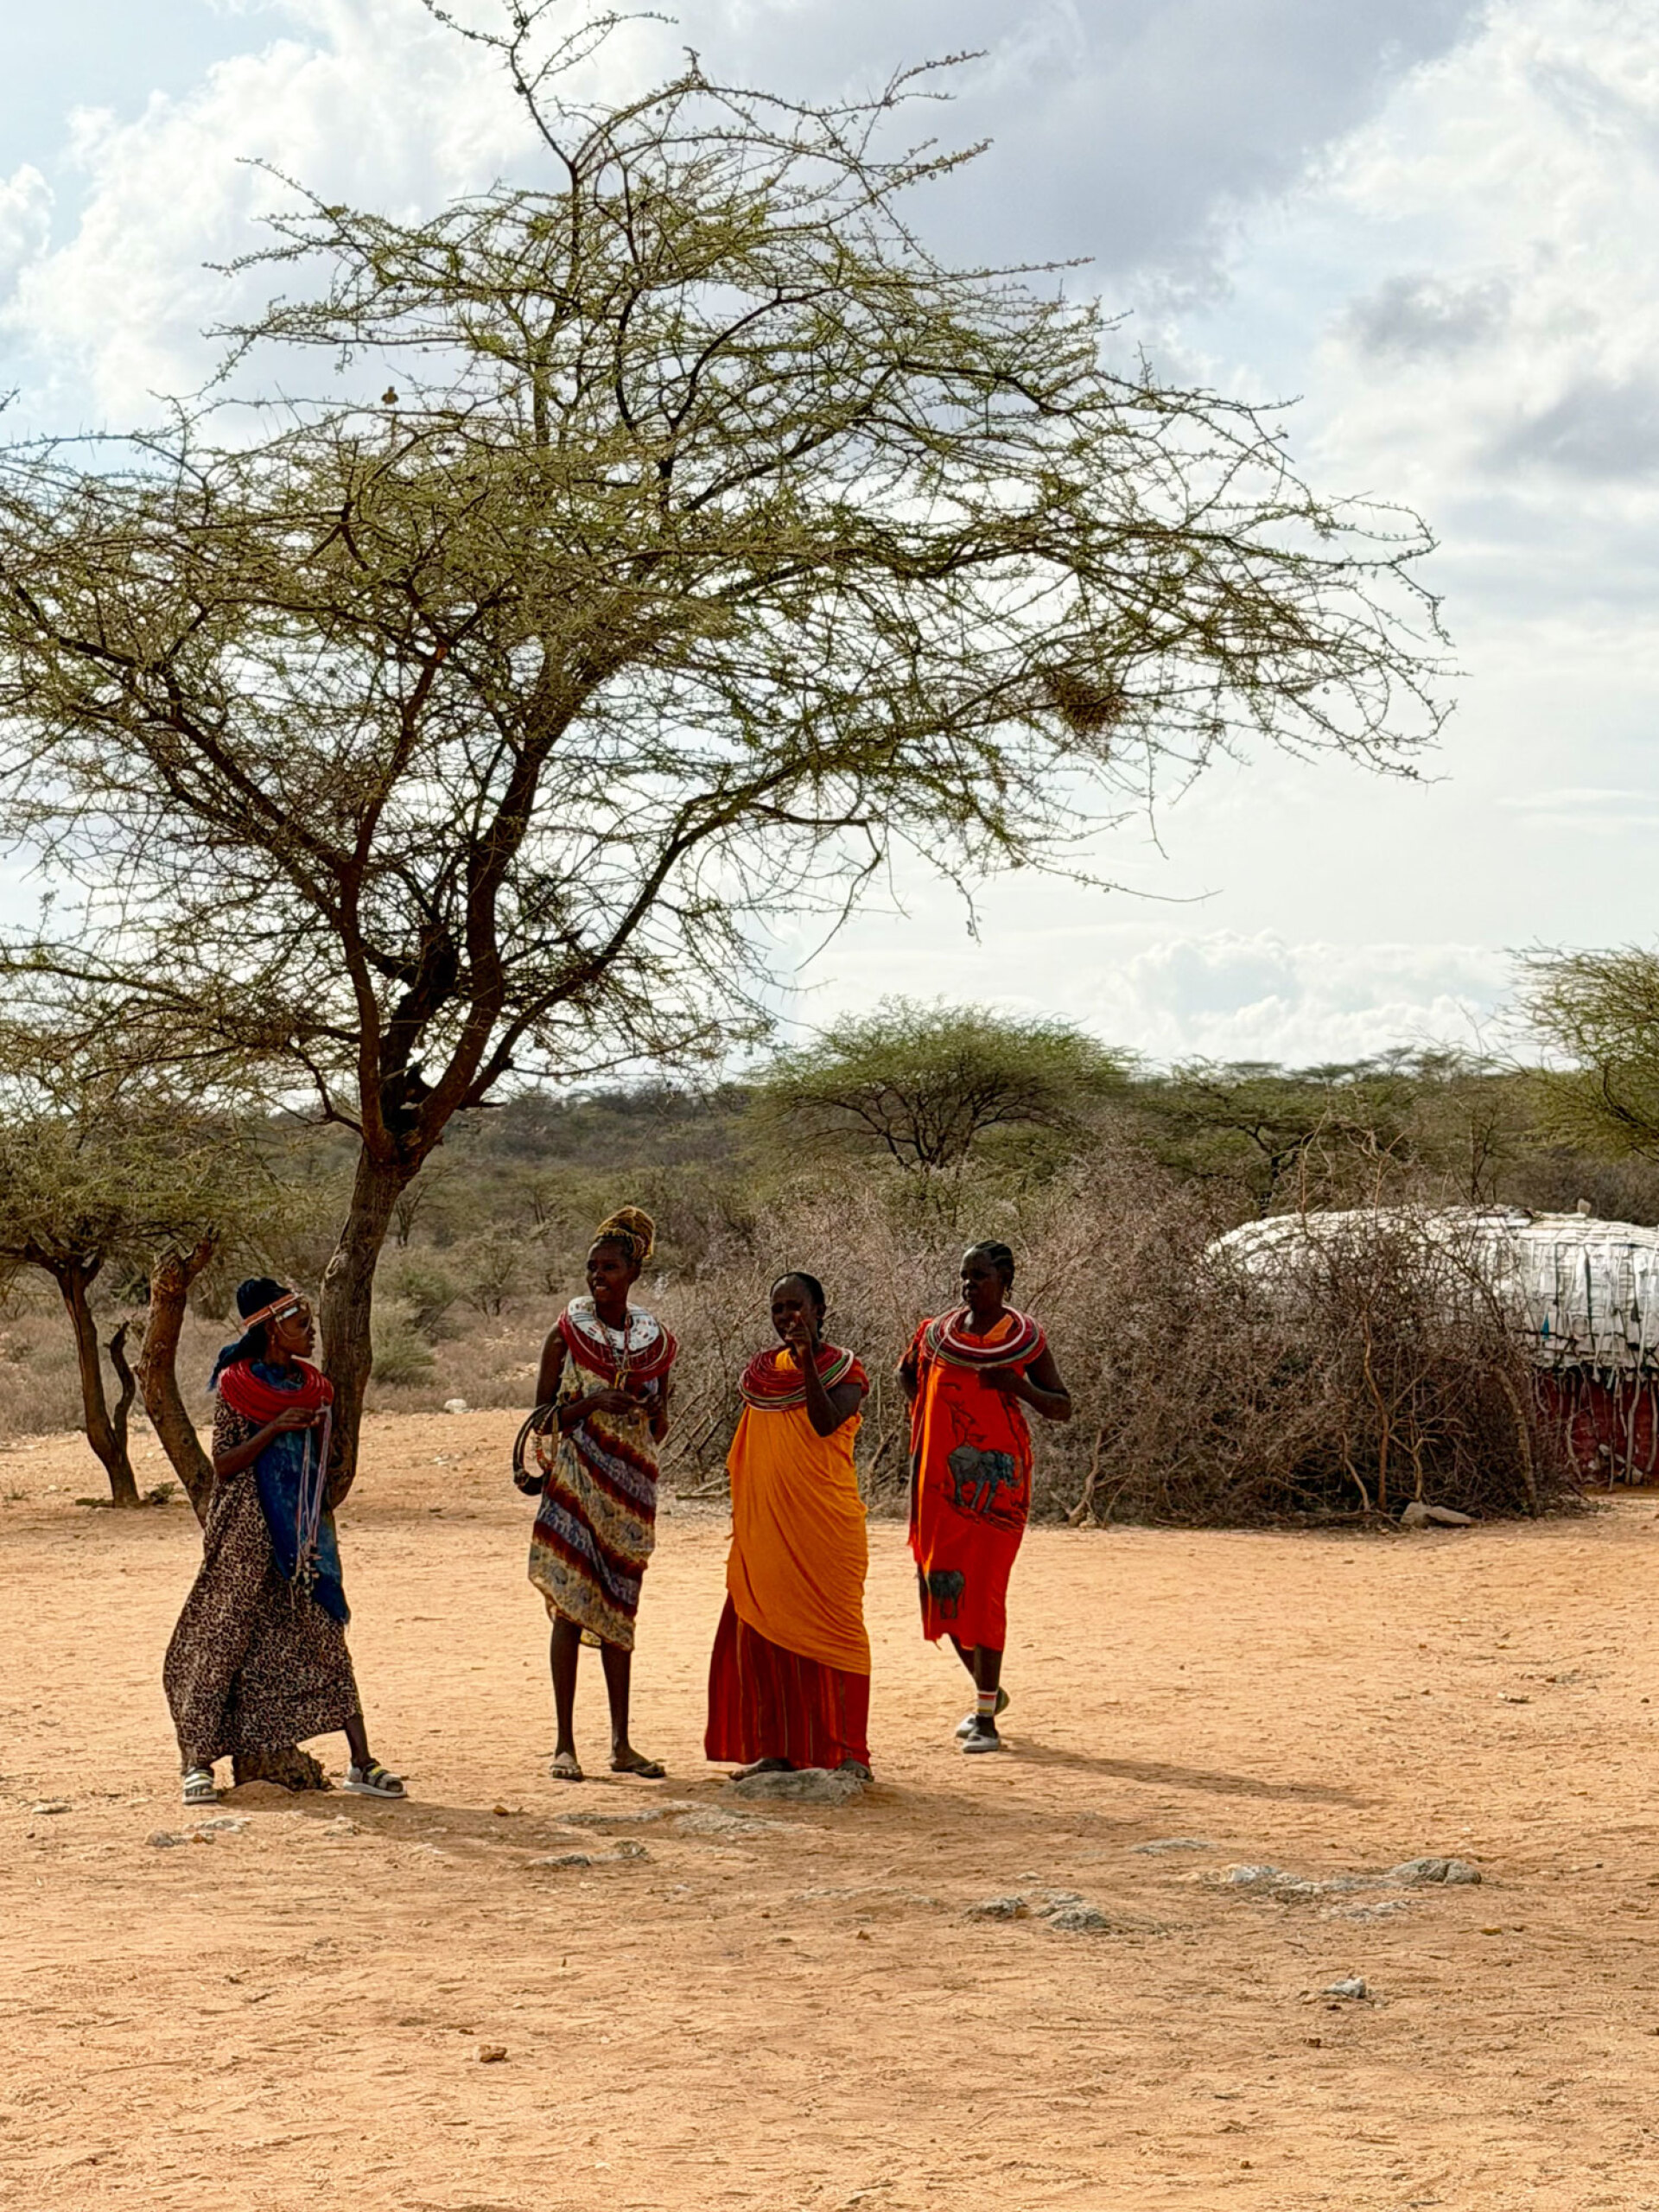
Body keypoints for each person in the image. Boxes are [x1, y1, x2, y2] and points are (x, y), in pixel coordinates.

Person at [163, 1278, 404, 1808]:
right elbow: (223, 1464)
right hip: (246, 1534)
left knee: (323, 1634)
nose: (311, 1333)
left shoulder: (315, 1387)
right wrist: (273, 1429)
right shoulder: (237, 1386)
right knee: (221, 1640)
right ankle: (196, 1763)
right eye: (300, 1325)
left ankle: (363, 1761)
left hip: (301, 1536)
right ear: (272, 1329)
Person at [518, 1206, 677, 1782]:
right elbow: (541, 1417)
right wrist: (589, 1405)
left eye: (609, 1267)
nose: (597, 1277)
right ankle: (564, 1744)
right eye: (592, 1268)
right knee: (570, 1607)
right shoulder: (565, 1334)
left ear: (633, 1271)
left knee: (619, 1614)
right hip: (576, 1485)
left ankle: (621, 1744)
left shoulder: (655, 1342)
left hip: (631, 1493)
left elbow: (660, 1430)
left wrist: (652, 1411)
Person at [901, 1240, 1071, 1753]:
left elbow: (1062, 1406)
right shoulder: (935, 1335)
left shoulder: (1025, 1340)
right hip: (939, 1485)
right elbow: (906, 1374)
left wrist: (1013, 1386)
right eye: (964, 1276)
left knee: (986, 1591)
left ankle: (984, 1719)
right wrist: (934, 1423)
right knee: (938, 1585)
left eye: (979, 1276)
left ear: (1005, 1281)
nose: (969, 1285)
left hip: (999, 1489)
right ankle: (989, 1693)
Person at [705, 1272, 874, 1779]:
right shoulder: (760, 1375)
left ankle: (848, 1754)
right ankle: (775, 1751)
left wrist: (805, 1365)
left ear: (820, 1310)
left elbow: (824, 1424)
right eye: (778, 1309)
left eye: (796, 1307)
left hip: (825, 1526)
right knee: (764, 1634)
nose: (787, 1318)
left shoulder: (845, 1370)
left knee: (838, 1632)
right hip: (768, 1527)